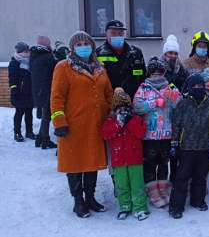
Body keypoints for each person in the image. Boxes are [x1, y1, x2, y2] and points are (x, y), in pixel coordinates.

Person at [51, 31, 113, 218]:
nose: (83, 46)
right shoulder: (63, 67)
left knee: (91, 162)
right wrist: (59, 121)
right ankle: (78, 200)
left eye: (86, 43)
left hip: (96, 125)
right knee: (75, 162)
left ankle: (90, 197)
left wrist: (112, 113)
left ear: (92, 46)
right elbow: (56, 97)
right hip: (74, 125)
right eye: (79, 44)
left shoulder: (100, 68)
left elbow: (108, 94)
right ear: (72, 48)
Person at [169, 74, 209, 219]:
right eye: (195, 86)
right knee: (182, 178)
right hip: (186, 147)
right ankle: (176, 206)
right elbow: (176, 124)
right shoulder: (183, 104)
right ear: (190, 88)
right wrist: (174, 143)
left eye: (200, 86)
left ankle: (197, 200)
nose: (198, 89)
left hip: (204, 148)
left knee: (200, 177)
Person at [133, 57, 182, 208]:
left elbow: (180, 105)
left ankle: (163, 191)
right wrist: (154, 103)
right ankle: (153, 193)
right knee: (149, 165)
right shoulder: (143, 88)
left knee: (163, 164)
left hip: (166, 135)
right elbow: (137, 107)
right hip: (149, 136)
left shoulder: (170, 87)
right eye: (154, 73)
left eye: (160, 73)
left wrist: (171, 98)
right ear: (149, 74)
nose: (157, 76)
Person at [101, 90, 150, 221]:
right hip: (118, 159)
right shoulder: (111, 120)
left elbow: (141, 133)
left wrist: (129, 121)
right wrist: (118, 123)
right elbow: (105, 134)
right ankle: (125, 206)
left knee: (137, 184)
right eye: (119, 107)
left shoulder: (136, 119)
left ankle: (140, 207)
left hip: (135, 159)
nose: (123, 110)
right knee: (121, 185)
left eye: (126, 107)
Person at [96, 20, 146, 98]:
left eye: (120, 33)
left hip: (134, 101)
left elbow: (143, 78)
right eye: (113, 33)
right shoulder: (98, 54)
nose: (117, 36)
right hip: (109, 101)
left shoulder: (136, 53)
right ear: (106, 34)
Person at [30, 35, 57, 149]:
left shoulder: (34, 55)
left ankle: (40, 139)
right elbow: (58, 67)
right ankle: (44, 140)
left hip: (39, 91)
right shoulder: (47, 56)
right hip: (47, 90)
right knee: (47, 116)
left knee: (46, 116)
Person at [8, 42, 34, 142]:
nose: (28, 53)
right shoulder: (15, 63)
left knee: (29, 113)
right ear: (20, 52)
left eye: (28, 51)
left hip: (29, 92)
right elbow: (12, 78)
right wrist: (14, 89)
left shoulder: (29, 62)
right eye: (26, 51)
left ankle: (29, 132)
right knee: (19, 113)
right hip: (19, 93)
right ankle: (17, 133)